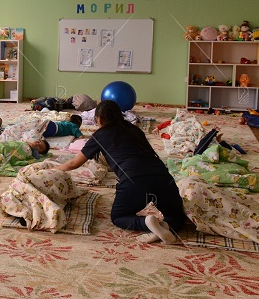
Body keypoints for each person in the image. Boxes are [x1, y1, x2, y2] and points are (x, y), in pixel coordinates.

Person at [54, 100, 186, 244]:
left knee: (119, 217)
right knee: (177, 216)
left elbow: (74, 163)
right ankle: (164, 227)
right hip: (163, 177)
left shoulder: (100, 135)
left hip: (134, 181)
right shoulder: (134, 130)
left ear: (99, 119)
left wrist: (54, 169)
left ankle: (147, 223)